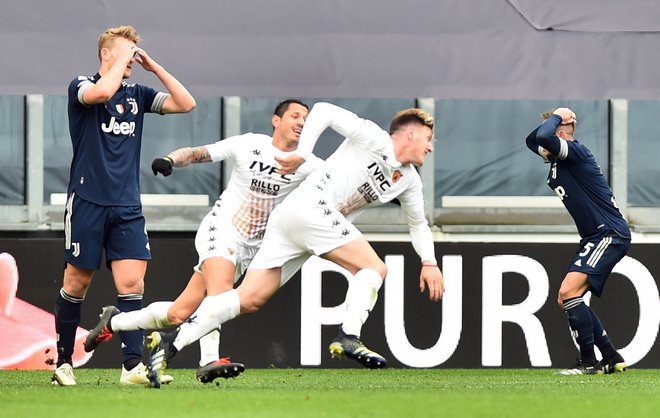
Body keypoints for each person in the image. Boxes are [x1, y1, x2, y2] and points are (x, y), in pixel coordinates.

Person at [141, 101, 445, 387]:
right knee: (374, 268)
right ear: (411, 132)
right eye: (428, 138)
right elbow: (324, 110)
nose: (431, 147)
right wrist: (303, 152)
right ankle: (349, 335)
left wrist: (429, 261)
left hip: (291, 221)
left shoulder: (409, 181)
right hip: (310, 210)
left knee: (248, 299)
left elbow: (418, 224)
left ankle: (171, 343)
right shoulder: (372, 137)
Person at [84, 99, 323, 386]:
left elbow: (342, 183)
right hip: (220, 229)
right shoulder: (250, 145)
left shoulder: (310, 164)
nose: (301, 122)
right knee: (220, 295)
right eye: (295, 115)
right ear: (276, 120)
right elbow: (199, 153)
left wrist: (391, 193)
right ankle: (208, 361)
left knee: (178, 314)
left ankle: (114, 322)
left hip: (248, 248)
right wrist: (171, 160)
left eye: (306, 119)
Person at [52, 25, 196, 386]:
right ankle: (64, 362)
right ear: (106, 54)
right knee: (77, 282)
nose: (132, 59)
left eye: (135, 53)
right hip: (87, 201)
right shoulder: (81, 85)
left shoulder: (138, 94)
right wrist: (118, 60)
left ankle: (132, 366)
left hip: (127, 205)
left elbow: (185, 103)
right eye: (127, 52)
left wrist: (155, 68)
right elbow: (101, 92)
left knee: (132, 285)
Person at [525, 107, 630, 375]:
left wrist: (559, 116)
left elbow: (546, 138)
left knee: (568, 292)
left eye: (549, 136)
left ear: (560, 135)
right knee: (568, 298)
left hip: (608, 233)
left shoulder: (575, 152)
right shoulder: (558, 156)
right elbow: (531, 140)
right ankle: (609, 356)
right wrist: (557, 121)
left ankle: (588, 363)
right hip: (596, 236)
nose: (541, 147)